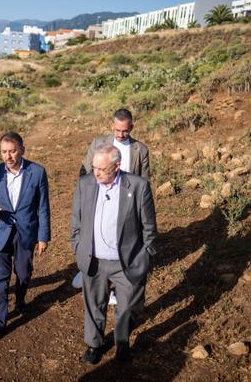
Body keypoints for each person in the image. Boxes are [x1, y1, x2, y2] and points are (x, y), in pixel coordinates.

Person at [71, 145, 157, 364]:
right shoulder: (86, 183)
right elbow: (76, 222)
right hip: (94, 260)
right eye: (94, 167)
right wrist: (78, 247)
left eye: (102, 168)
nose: (96, 173)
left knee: (128, 307)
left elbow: (149, 228)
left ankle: (122, 341)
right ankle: (94, 344)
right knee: (93, 305)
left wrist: (145, 256)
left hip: (127, 262)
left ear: (117, 166)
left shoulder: (138, 186)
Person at [0, 131, 51, 340]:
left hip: (26, 232)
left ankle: (20, 299)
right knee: (0, 277)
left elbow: (43, 207)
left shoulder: (37, 172)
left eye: (12, 151)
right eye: (4, 152)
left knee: (23, 273)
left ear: (22, 149)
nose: (8, 156)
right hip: (1, 231)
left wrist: (43, 237)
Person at [80, 108, 150, 183]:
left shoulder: (141, 150)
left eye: (125, 131)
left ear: (131, 127)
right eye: (118, 130)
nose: (121, 135)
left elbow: (144, 182)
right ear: (112, 126)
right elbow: (86, 171)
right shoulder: (97, 143)